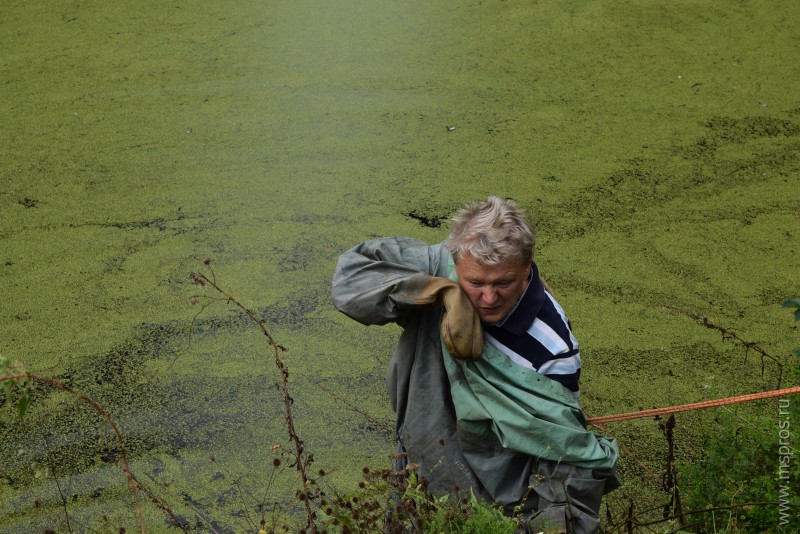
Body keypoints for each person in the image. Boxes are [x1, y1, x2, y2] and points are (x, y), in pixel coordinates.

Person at [332, 196, 619, 533]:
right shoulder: (439, 267)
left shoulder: (553, 350)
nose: (488, 298)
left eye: (503, 283)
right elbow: (349, 281)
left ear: (527, 268)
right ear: (457, 263)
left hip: (493, 502)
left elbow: (561, 451)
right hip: (418, 468)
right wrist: (439, 292)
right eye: (476, 283)